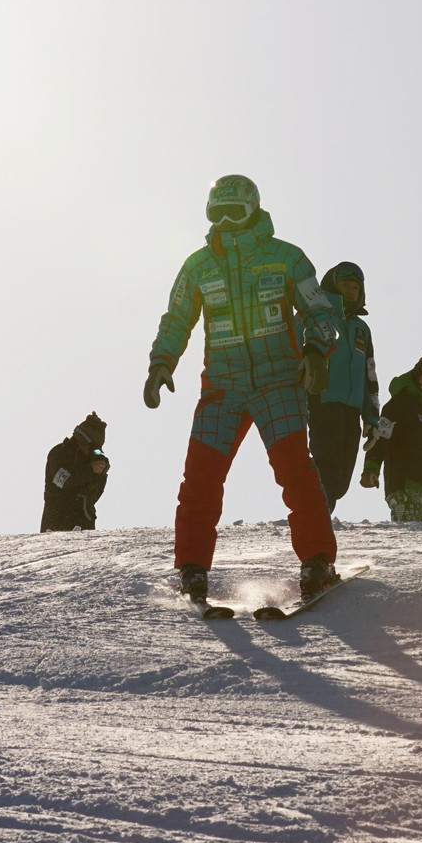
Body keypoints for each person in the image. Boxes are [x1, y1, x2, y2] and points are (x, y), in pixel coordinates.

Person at [144, 175, 342, 601]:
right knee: (200, 476)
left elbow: (321, 311)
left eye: (236, 212)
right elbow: (176, 318)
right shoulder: (198, 266)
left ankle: (318, 558)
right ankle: (192, 567)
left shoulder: (286, 258)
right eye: (218, 213)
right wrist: (161, 363)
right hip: (223, 387)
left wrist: (315, 352)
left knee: (295, 471)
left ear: (254, 209)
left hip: (279, 383)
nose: (227, 221)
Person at [308, 262, 380, 515]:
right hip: (322, 402)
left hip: (351, 409)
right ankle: (315, 517)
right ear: (332, 286)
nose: (350, 291)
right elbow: (296, 351)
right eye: (345, 285)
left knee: (341, 477)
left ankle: (322, 514)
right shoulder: (315, 314)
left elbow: (368, 373)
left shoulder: (362, 329)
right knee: (325, 467)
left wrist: (371, 417)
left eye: (355, 287)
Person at [360, 355, 422, 521]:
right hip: (405, 486)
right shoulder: (399, 405)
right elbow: (381, 437)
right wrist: (371, 468)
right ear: (416, 377)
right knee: (412, 540)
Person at [41, 412, 110, 532]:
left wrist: (100, 475)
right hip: (56, 523)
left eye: (97, 451)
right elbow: (63, 482)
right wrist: (90, 470)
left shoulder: (92, 461)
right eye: (93, 449)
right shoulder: (59, 453)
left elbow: (94, 496)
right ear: (83, 440)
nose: (93, 453)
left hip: (84, 522)